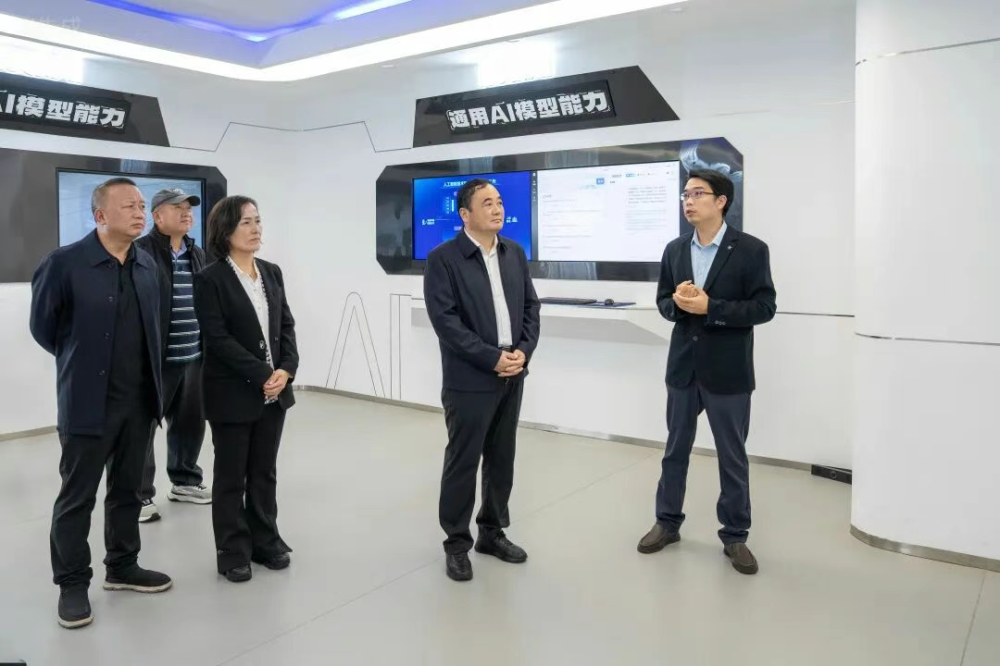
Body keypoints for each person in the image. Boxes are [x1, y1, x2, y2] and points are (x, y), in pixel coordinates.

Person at [30, 177, 172, 630]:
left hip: (140, 403)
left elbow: (156, 328)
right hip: (88, 404)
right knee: (77, 497)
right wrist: (82, 361)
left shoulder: (147, 265)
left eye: (142, 205)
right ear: (99, 215)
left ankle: (122, 566)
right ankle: (72, 583)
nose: (139, 212)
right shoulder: (64, 264)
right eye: (129, 205)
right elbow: (44, 329)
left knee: (129, 491)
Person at [637, 169, 776, 575]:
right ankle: (667, 522)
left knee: (732, 456)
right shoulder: (675, 249)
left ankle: (735, 535)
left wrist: (710, 307)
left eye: (698, 193)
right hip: (683, 367)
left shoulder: (751, 250)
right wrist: (678, 304)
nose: (689, 201)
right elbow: (664, 302)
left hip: (728, 370)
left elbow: (764, 308)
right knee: (674, 450)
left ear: (721, 201)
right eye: (685, 194)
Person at [423, 178, 541, 582]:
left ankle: (492, 531)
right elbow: (446, 322)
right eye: (487, 202)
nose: (497, 208)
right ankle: (457, 544)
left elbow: (531, 307)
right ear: (465, 214)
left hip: (513, 372)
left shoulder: (514, 253)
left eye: (500, 201)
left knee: (502, 458)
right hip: (470, 377)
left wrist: (523, 350)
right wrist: (492, 358)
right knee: (464, 460)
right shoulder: (443, 259)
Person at [193, 195, 298, 583]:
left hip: (274, 390)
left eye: (258, 220)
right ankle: (232, 551)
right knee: (231, 476)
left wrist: (286, 369)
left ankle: (265, 541)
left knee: (264, 472)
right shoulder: (210, 279)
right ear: (225, 231)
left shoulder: (271, 272)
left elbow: (285, 325)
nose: (256, 229)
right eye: (246, 223)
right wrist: (262, 373)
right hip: (231, 392)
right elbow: (217, 339)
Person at [135, 188, 211, 523]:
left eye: (188, 208)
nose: (186, 213)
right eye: (177, 207)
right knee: (141, 428)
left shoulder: (197, 253)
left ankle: (185, 481)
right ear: (157, 216)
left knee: (190, 423)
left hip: (192, 356)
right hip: (155, 361)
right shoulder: (140, 252)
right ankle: (136, 494)